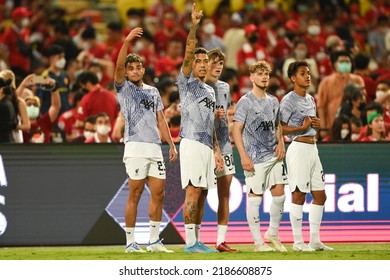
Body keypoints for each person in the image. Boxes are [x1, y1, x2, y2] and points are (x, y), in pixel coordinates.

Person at [114, 26, 178, 253]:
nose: (134, 70)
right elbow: (119, 66)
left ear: (143, 69)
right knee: (136, 193)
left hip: (154, 147)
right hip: (134, 146)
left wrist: (170, 144)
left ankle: (153, 241)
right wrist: (126, 41)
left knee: (159, 193)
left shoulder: (153, 92)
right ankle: (130, 242)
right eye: (130, 68)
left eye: (138, 67)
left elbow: (161, 121)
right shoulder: (124, 89)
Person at [177, 3, 224, 253]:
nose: (204, 64)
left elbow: (211, 123)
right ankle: (189, 243)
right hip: (192, 142)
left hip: (206, 145)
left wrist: (216, 150)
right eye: (199, 61)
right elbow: (187, 52)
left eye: (206, 61)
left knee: (203, 193)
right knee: (193, 191)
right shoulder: (186, 83)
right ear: (192, 65)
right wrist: (194, 26)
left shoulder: (209, 90)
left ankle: (196, 240)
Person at [232, 60, 287, 252]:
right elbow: (236, 130)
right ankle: (257, 243)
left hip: (274, 155)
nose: (264, 77)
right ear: (252, 77)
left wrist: (281, 142)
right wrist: (243, 156)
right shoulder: (245, 102)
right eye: (260, 73)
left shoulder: (273, 101)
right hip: (254, 157)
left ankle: (272, 232)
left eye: (266, 74)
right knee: (255, 197)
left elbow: (278, 125)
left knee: (280, 195)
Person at [279, 61, 333, 252]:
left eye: (308, 73)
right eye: (303, 73)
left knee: (320, 195)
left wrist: (315, 126)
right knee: (299, 193)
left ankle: (315, 240)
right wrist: (301, 128)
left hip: (313, 148)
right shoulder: (288, 101)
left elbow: (311, 123)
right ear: (293, 78)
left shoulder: (310, 99)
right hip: (298, 148)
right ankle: (297, 242)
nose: (308, 76)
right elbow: (280, 127)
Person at [204, 48, 236, 252]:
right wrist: (211, 116)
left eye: (220, 64)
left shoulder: (225, 87)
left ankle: (220, 241)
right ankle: (194, 240)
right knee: (199, 192)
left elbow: (228, 114)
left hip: (224, 143)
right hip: (204, 144)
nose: (217, 67)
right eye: (213, 63)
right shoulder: (197, 86)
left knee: (225, 192)